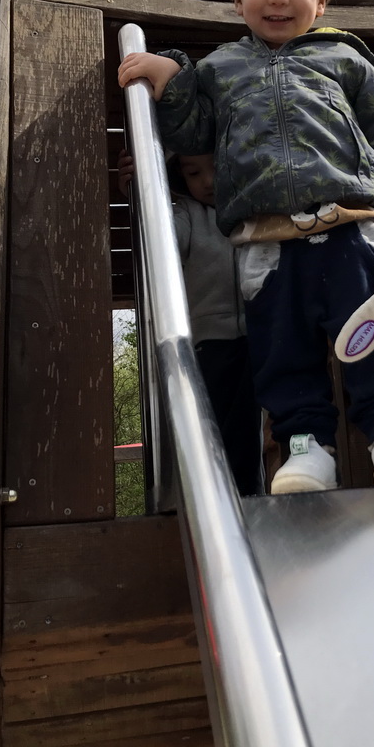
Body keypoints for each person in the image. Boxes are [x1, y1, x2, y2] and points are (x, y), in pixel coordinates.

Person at [118, 0, 374, 495]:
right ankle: (304, 445)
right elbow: (192, 135)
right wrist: (172, 78)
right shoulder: (221, 67)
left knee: (372, 330)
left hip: (349, 223)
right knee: (280, 347)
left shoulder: (345, 59)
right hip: (265, 237)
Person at [119, 148, 265, 497]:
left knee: (247, 427)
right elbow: (161, 240)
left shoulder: (255, 212)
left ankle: (249, 494)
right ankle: (214, 497)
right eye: (194, 173)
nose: (209, 181)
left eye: (215, 168)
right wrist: (139, 192)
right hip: (208, 342)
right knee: (214, 423)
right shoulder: (187, 214)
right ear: (180, 178)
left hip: (257, 338)